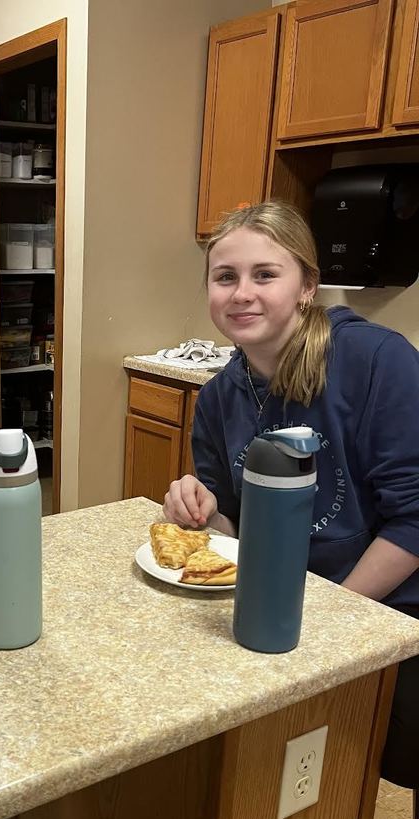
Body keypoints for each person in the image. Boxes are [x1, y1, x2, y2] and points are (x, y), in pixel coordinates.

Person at [163, 199, 419, 788]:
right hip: (280, 606)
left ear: (307, 286)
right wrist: (202, 512)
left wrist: (329, 617)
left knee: (375, 756)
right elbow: (234, 524)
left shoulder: (377, 361)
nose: (242, 293)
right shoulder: (220, 396)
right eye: (225, 277)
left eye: (265, 274)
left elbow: (414, 521)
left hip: (387, 612)